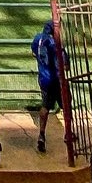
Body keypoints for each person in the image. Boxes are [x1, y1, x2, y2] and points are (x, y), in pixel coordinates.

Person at [30, 18, 65, 153]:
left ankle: (42, 134)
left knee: (45, 106)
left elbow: (33, 53)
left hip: (43, 77)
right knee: (66, 105)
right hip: (56, 79)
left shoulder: (37, 38)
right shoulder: (55, 43)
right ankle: (69, 132)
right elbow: (64, 65)